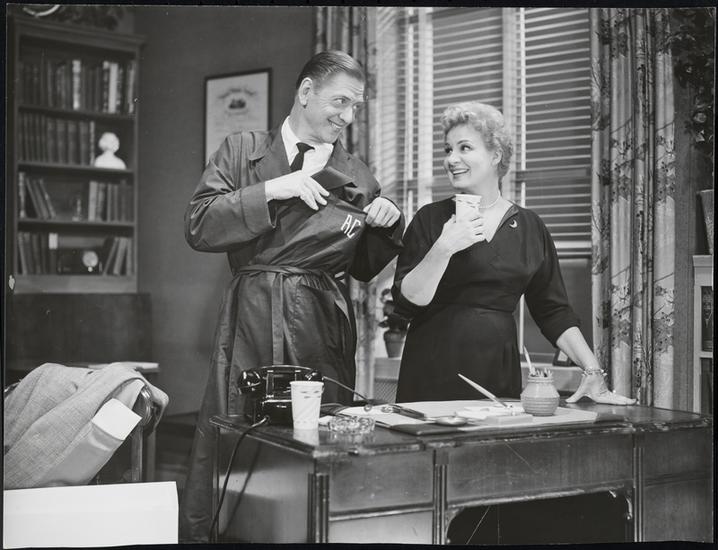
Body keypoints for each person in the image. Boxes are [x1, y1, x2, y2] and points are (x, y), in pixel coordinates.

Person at [180, 50, 404, 542]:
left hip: (320, 323)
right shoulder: (241, 151)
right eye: (340, 101)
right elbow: (199, 225)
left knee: (318, 439)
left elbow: (363, 267)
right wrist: (276, 188)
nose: (348, 117)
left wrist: (388, 221)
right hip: (252, 317)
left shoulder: (359, 174)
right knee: (239, 431)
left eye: (356, 107)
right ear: (305, 92)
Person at [392, 101, 634, 406]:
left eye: (464, 148)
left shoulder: (530, 227)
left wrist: (593, 371)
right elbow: (407, 301)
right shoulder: (429, 219)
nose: (451, 159)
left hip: (497, 369)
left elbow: (553, 311)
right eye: (447, 150)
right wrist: (445, 246)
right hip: (430, 368)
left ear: (496, 155)